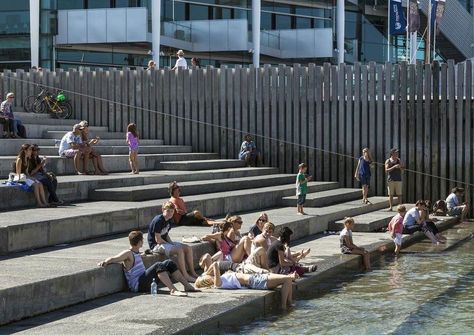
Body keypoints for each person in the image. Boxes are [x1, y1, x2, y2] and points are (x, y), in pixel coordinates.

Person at [98, 231, 198, 296]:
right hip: (138, 284)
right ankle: (172, 290)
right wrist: (105, 262)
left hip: (143, 280)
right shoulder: (128, 253)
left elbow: (137, 257)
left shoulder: (136, 252)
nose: (143, 242)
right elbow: (115, 258)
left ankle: (186, 285)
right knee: (158, 265)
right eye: (142, 240)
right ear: (139, 242)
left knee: (169, 263)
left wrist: (143, 254)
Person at [195, 261, 296, 310]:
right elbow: (215, 264)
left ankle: (289, 304)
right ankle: (284, 306)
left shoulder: (219, 281)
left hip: (255, 279)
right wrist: (205, 274)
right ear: (206, 281)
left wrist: (205, 275)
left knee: (287, 279)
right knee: (287, 279)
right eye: (205, 278)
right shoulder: (217, 283)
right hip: (255, 281)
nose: (208, 276)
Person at [147, 201, 199, 282]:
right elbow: (158, 239)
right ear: (163, 210)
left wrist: (171, 243)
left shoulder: (169, 220)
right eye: (168, 211)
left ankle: (193, 273)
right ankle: (185, 275)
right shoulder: (158, 220)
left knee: (188, 248)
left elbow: (165, 234)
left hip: (164, 243)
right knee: (179, 250)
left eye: (172, 211)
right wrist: (170, 245)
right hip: (156, 245)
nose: (170, 213)